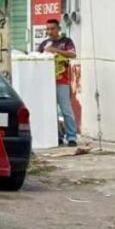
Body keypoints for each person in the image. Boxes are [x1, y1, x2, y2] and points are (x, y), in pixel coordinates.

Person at [37, 18, 79, 149]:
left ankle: (71, 137)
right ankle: (57, 136)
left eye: (52, 28)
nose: (50, 31)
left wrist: (56, 51)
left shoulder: (66, 41)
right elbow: (35, 57)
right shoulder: (44, 44)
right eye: (48, 29)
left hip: (62, 81)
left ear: (58, 29)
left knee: (66, 110)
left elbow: (73, 55)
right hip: (47, 82)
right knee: (51, 111)